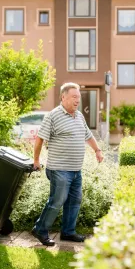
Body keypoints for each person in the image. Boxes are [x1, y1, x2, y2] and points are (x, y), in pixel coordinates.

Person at [31, 82, 104, 246]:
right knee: (57, 201)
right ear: (63, 97)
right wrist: (36, 160)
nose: (77, 100)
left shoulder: (79, 116)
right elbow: (40, 139)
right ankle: (40, 229)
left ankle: (68, 232)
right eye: (74, 97)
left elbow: (88, 135)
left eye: (78, 97)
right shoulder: (52, 116)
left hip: (75, 169)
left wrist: (97, 150)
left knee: (74, 200)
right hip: (59, 169)